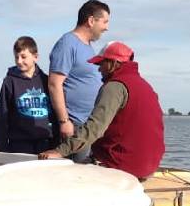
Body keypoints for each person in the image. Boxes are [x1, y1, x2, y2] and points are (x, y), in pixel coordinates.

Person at [39, 41, 165, 180]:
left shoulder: (115, 87)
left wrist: (59, 151)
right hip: (149, 166)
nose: (99, 70)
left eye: (101, 64)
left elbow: (94, 128)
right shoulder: (146, 86)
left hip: (123, 167)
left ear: (113, 63)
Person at [48, 0, 111, 158]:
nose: (106, 27)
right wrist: (64, 121)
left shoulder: (88, 47)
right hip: (74, 125)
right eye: (104, 22)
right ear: (91, 20)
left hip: (89, 125)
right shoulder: (67, 43)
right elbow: (55, 84)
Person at [0, 36, 55, 154]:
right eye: (16, 57)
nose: (19, 61)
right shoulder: (9, 82)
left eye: (23, 57)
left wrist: (56, 141)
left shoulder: (46, 81)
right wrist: (1, 145)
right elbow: (3, 114)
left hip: (45, 142)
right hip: (19, 143)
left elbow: (54, 112)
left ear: (35, 57)